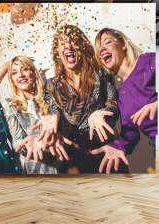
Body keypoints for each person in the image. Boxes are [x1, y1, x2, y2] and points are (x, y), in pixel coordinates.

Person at [39, 24, 123, 174]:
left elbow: (113, 104)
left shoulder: (102, 74)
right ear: (57, 51)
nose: (68, 46)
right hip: (71, 158)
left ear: (82, 46)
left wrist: (103, 114)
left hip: (105, 152)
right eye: (63, 43)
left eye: (74, 41)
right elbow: (53, 113)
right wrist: (52, 117)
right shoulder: (50, 85)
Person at [93, 28, 158, 173]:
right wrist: (116, 146)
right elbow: (130, 132)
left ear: (123, 43)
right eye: (98, 49)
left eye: (107, 42)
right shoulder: (120, 92)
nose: (102, 49)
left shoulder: (150, 61)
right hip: (157, 145)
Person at [2, 56, 75, 174]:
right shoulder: (8, 105)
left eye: (25, 69)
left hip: (60, 165)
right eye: (14, 72)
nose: (20, 75)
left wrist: (57, 137)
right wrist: (34, 143)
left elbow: (67, 128)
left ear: (34, 73)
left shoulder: (50, 97)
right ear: (12, 79)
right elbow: (16, 141)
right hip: (32, 168)